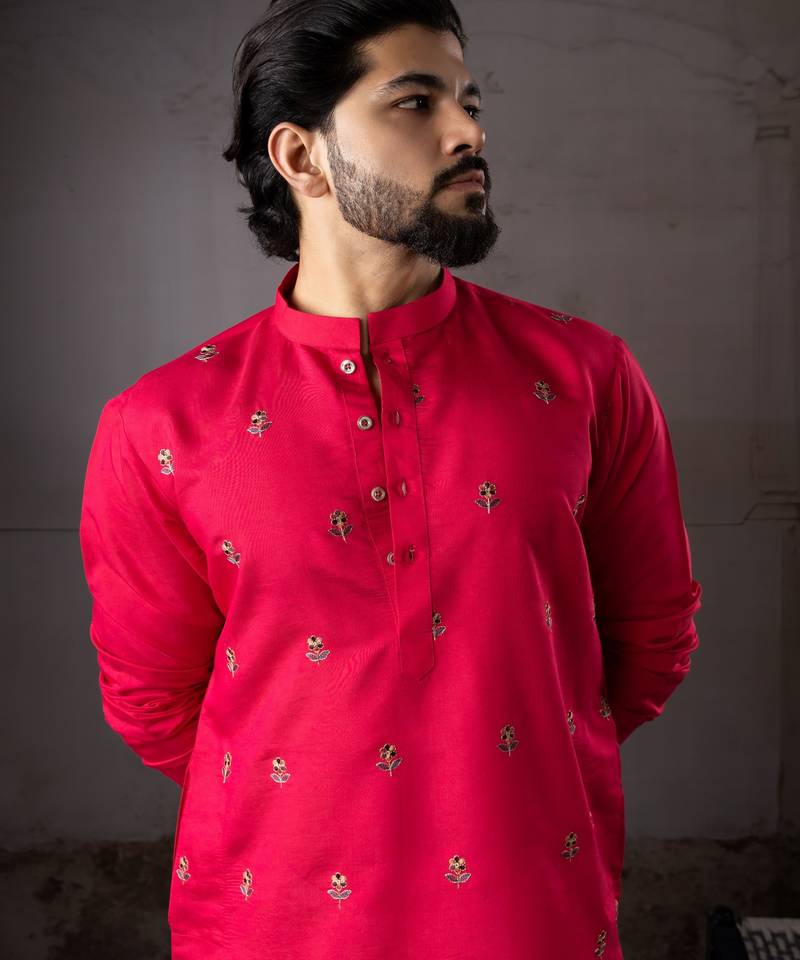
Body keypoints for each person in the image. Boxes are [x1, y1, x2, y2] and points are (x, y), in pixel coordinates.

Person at [78, 2, 703, 958]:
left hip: (530, 915)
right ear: (302, 156)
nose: (467, 132)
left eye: (470, 102)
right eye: (416, 102)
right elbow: (153, 703)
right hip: (269, 926)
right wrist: (314, 793)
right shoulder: (161, 425)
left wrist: (504, 761)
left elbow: (652, 639)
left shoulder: (584, 376)